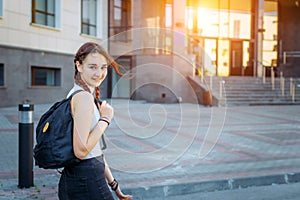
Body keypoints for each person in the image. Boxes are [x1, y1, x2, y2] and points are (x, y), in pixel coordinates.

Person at [58, 42, 132, 200]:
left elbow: (95, 150)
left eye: (103, 67)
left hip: (85, 178)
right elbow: (81, 151)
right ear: (79, 66)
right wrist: (105, 119)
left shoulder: (81, 94)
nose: (99, 73)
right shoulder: (83, 97)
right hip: (86, 181)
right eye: (92, 67)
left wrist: (113, 184)